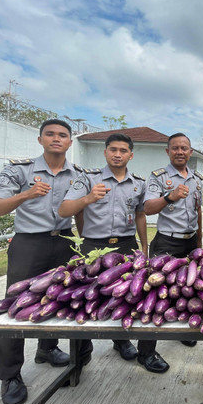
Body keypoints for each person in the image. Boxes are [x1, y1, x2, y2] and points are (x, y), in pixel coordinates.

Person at [0, 119, 82, 404]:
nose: (56, 139)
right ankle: (10, 374)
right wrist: (26, 193)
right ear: (40, 139)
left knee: (59, 300)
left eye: (62, 135)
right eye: (50, 134)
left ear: (70, 142)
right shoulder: (19, 170)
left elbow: (79, 209)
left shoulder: (77, 174)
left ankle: (48, 348)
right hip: (29, 243)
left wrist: (83, 241)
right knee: (15, 304)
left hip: (64, 241)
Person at [59, 133, 148, 367]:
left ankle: (121, 341)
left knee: (124, 296)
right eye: (113, 150)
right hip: (93, 246)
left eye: (122, 150)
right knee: (86, 296)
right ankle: (82, 349)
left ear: (131, 154)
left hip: (126, 245)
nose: (117, 154)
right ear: (105, 152)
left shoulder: (138, 183)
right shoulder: (88, 179)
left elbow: (140, 214)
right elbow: (66, 209)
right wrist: (88, 198)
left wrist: (144, 245)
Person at [136, 132, 203, 373]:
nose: (180, 151)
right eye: (175, 148)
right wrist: (170, 196)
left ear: (190, 151)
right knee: (155, 295)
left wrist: (199, 243)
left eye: (184, 148)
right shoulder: (158, 177)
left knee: (187, 291)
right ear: (167, 151)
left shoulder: (197, 178)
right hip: (166, 243)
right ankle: (146, 352)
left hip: (190, 243)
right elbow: (148, 207)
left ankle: (181, 330)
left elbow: (198, 211)